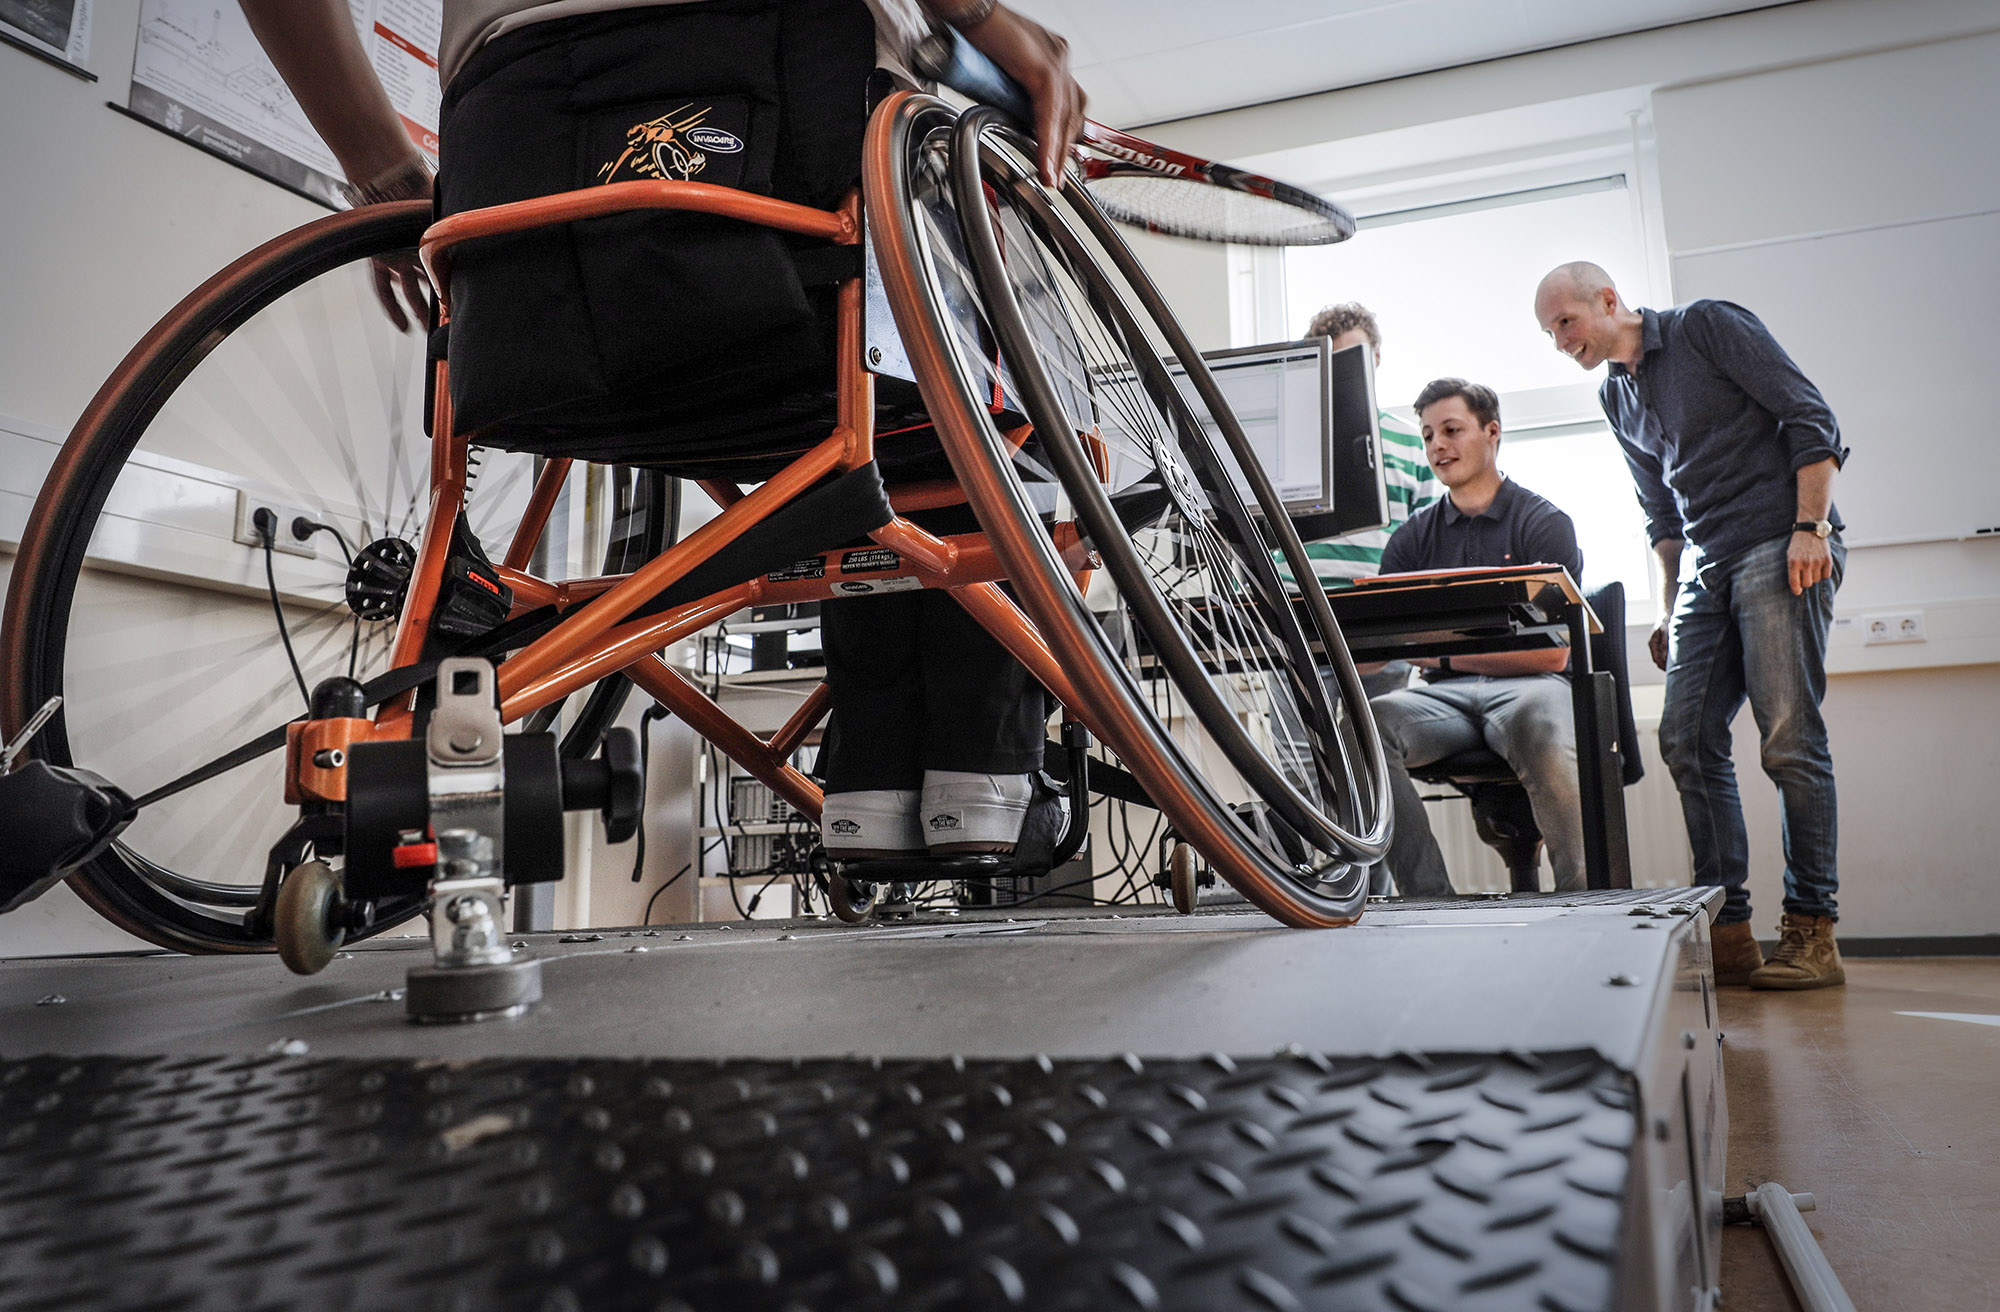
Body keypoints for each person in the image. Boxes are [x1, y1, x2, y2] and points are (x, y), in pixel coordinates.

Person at [237, 0, 1087, 869]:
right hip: (777, 223)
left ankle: (871, 782)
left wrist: (379, 169)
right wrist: (979, 16)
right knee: (1007, 403)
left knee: (867, 431)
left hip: (521, 272)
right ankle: (983, 782)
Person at [1534, 261, 1847, 989]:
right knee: (1684, 736)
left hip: (1780, 542)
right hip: (1708, 571)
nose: (1559, 342)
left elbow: (1811, 418)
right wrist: (1673, 603)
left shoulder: (1707, 326)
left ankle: (1812, 932)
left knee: (1788, 738)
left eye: (1566, 323)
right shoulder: (1616, 394)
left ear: (1608, 300)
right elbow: (1664, 516)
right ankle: (1728, 930)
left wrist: (1812, 527)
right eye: (1550, 332)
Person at [1369, 379, 1587, 896]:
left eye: (1451, 430)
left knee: (1544, 722)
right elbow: (1385, 645)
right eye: (1427, 436)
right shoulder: (1410, 540)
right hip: (1444, 700)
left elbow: (1553, 653)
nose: (1437, 446)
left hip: (1532, 688)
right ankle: (1430, 902)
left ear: (1492, 433)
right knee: (1365, 725)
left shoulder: (1543, 523)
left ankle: (1584, 900)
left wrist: (1436, 649)